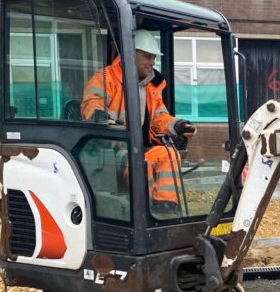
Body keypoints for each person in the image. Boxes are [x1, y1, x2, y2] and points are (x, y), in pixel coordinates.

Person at [82, 29, 196, 218]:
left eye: (154, 58)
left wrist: (178, 125)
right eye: (147, 57)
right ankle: (146, 213)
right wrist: (99, 116)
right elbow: (92, 103)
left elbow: (159, 117)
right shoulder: (105, 78)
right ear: (130, 53)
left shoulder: (152, 85)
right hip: (109, 147)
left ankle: (165, 209)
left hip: (137, 147)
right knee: (142, 163)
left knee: (168, 153)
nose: (152, 62)